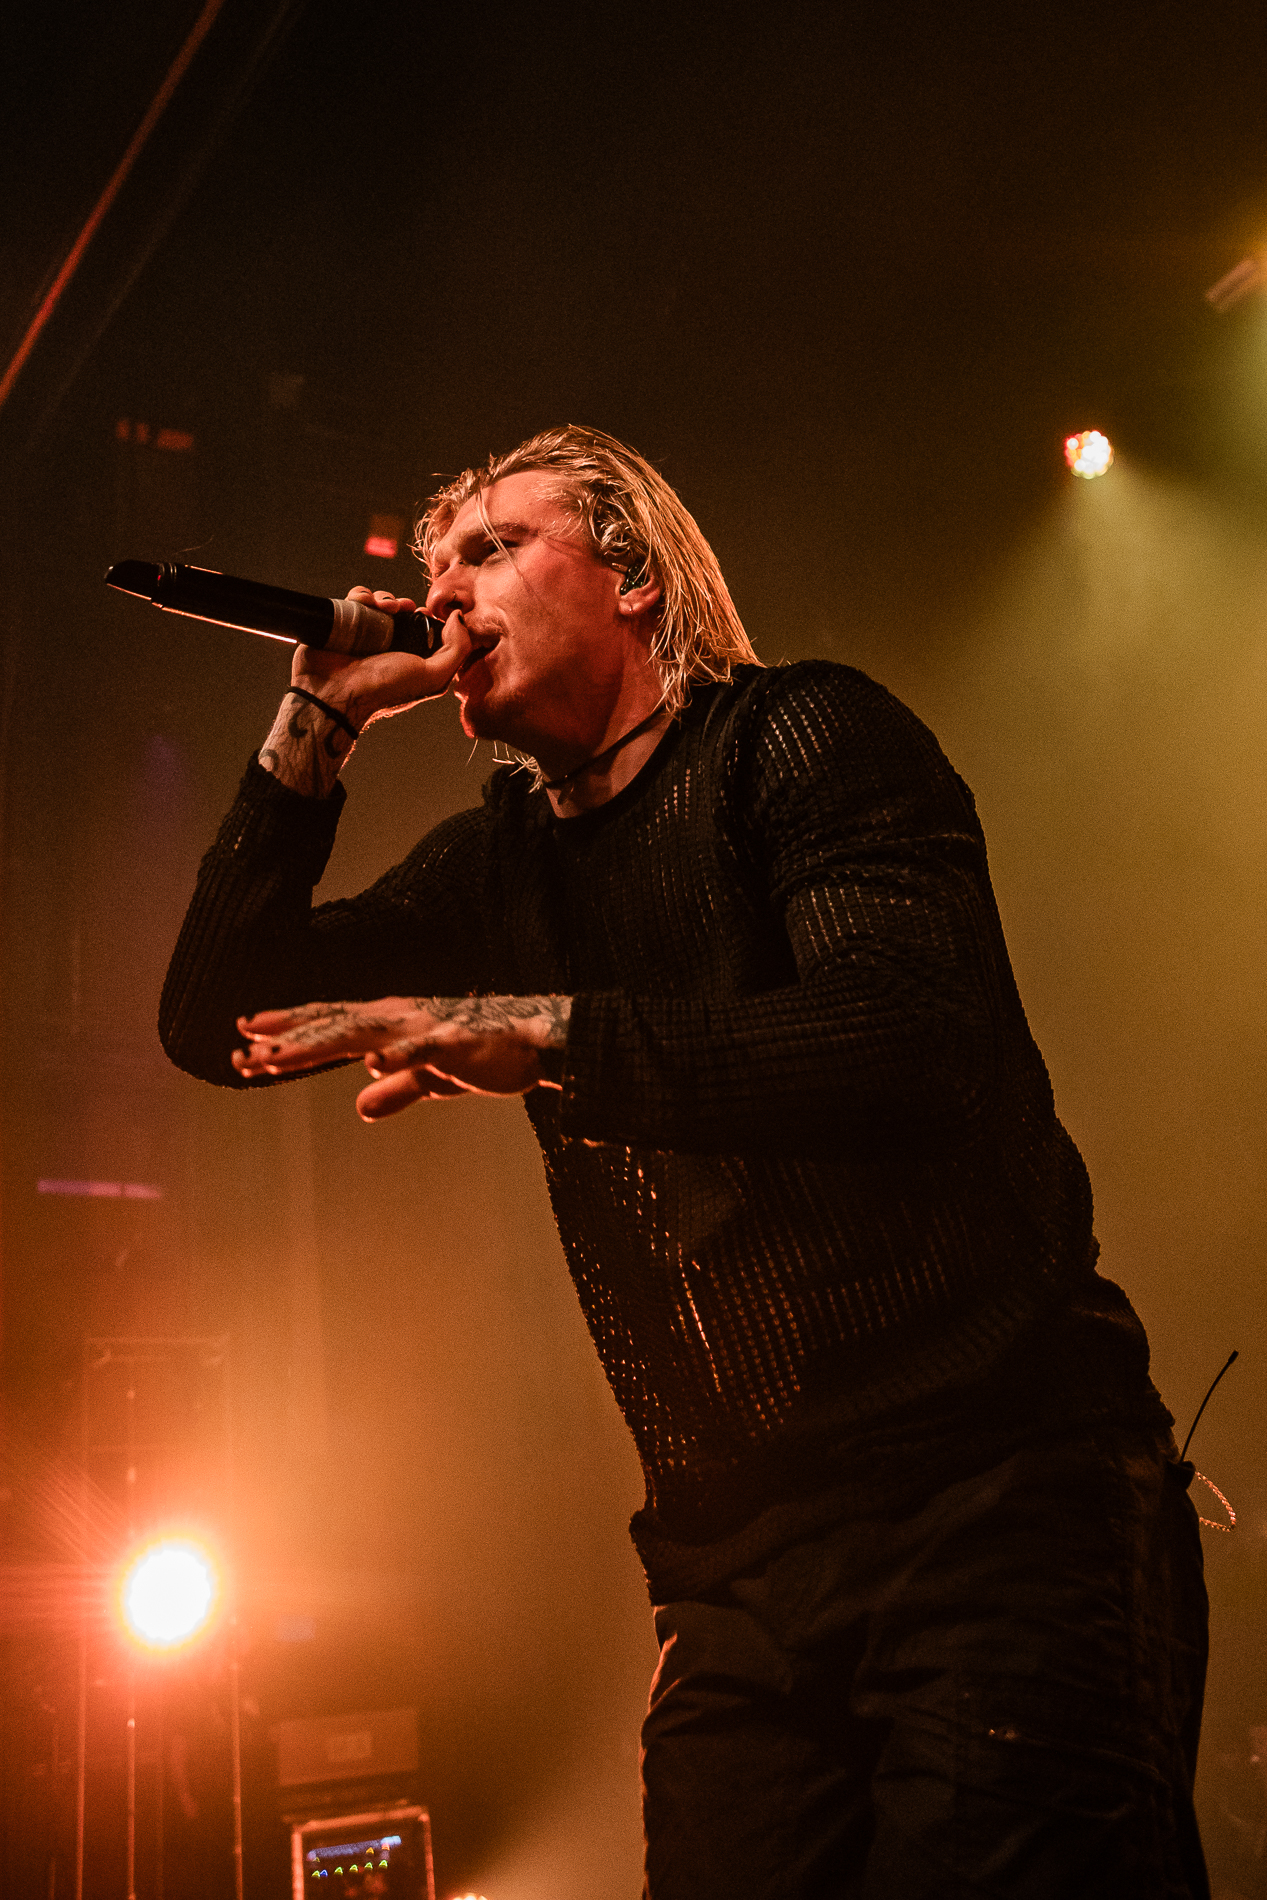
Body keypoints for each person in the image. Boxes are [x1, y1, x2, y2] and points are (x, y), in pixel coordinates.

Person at [161, 425, 1209, 1898]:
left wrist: (542, 1030)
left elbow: (903, 1035)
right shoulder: (504, 860)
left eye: (495, 547)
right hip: (736, 1579)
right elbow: (217, 1019)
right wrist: (315, 724)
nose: (444, 592)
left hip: (998, 1508)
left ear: (635, 575)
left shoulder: (802, 737)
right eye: (435, 563)